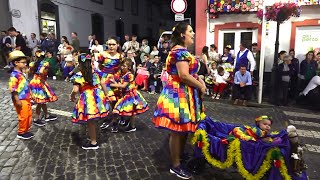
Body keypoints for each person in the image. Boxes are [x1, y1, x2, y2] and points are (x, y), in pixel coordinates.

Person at [153, 22, 206, 179]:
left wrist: (200, 82)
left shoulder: (182, 51)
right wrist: (201, 86)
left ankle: (179, 157)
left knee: (182, 129)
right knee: (177, 131)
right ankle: (176, 165)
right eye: (191, 31)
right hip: (178, 94)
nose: (193, 33)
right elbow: (183, 75)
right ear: (183, 35)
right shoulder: (179, 52)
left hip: (184, 92)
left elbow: (189, 74)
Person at [69, 54, 110, 149]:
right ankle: (94, 135)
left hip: (87, 98)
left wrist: (72, 97)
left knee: (90, 120)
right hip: (97, 96)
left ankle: (93, 142)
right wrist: (106, 95)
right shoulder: (95, 72)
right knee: (95, 118)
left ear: (79, 64)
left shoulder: (79, 75)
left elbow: (75, 90)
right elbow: (103, 83)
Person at [110, 58, 149, 132]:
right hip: (126, 94)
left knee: (130, 110)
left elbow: (123, 85)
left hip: (130, 95)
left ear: (129, 67)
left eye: (124, 66)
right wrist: (114, 81)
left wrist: (113, 84)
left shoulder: (129, 75)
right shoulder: (123, 74)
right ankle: (131, 125)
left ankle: (131, 125)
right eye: (122, 66)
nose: (122, 67)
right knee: (131, 111)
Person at [98, 36, 124, 130]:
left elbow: (120, 67)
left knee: (116, 101)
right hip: (105, 80)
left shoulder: (120, 56)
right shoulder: (102, 54)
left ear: (117, 45)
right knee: (106, 99)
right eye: (109, 44)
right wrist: (105, 76)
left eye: (113, 44)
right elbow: (100, 67)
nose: (111, 46)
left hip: (116, 79)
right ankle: (106, 119)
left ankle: (115, 121)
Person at [8, 51, 34, 139]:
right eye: (23, 62)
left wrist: (31, 94)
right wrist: (17, 100)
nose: (25, 64)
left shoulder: (21, 73)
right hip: (20, 99)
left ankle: (26, 130)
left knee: (28, 115)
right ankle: (21, 132)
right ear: (16, 63)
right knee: (23, 116)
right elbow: (13, 90)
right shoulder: (14, 76)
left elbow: (26, 85)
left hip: (26, 98)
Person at [29, 50, 58, 125]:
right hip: (39, 82)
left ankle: (46, 115)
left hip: (34, 81)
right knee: (40, 101)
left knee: (42, 100)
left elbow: (30, 71)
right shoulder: (45, 63)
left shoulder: (33, 63)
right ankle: (36, 118)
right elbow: (41, 71)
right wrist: (42, 79)